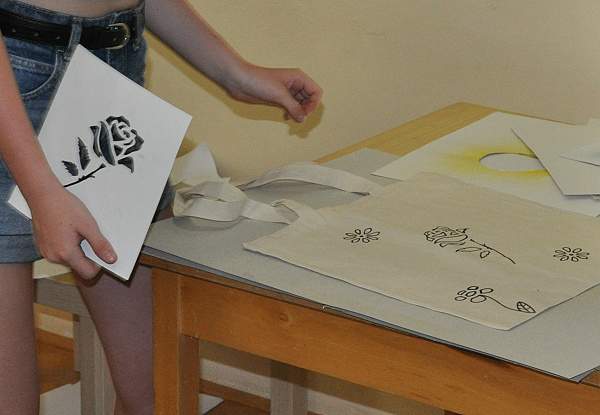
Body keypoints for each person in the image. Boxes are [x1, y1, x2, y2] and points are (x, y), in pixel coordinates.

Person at [0, 0, 323, 413]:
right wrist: (41, 189)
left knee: (160, 396)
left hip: (109, 77)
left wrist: (234, 71)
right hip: (12, 87)